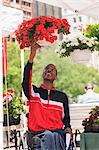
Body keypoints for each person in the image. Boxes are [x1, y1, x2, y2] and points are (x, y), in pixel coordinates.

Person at [22, 43, 72, 150]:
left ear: (56, 76)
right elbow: (26, 80)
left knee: (54, 136)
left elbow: (66, 118)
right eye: (46, 69)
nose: (48, 70)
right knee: (50, 136)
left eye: (52, 69)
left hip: (57, 133)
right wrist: (32, 56)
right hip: (37, 133)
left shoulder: (62, 97)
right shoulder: (34, 93)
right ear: (43, 74)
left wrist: (68, 127)